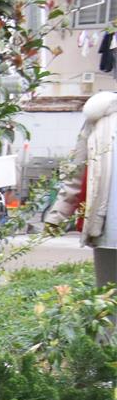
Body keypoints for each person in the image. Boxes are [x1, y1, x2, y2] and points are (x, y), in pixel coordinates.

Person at [44, 91, 117, 290]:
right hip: (108, 229)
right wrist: (58, 214)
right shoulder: (101, 116)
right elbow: (77, 171)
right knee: (109, 299)